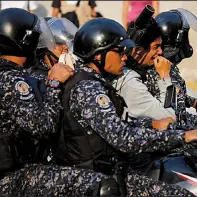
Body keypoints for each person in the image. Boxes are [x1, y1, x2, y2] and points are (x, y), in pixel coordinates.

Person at [54, 17, 197, 196]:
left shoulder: (94, 82)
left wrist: (151, 125)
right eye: (119, 52)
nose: (125, 57)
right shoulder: (89, 88)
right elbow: (123, 138)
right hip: (95, 178)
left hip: (109, 170)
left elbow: (119, 124)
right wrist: (181, 136)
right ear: (99, 55)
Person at [0, 9, 121, 196]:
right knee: (101, 185)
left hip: (22, 169)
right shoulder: (13, 81)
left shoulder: (11, 75)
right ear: (26, 41)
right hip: (14, 176)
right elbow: (43, 126)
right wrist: (54, 83)